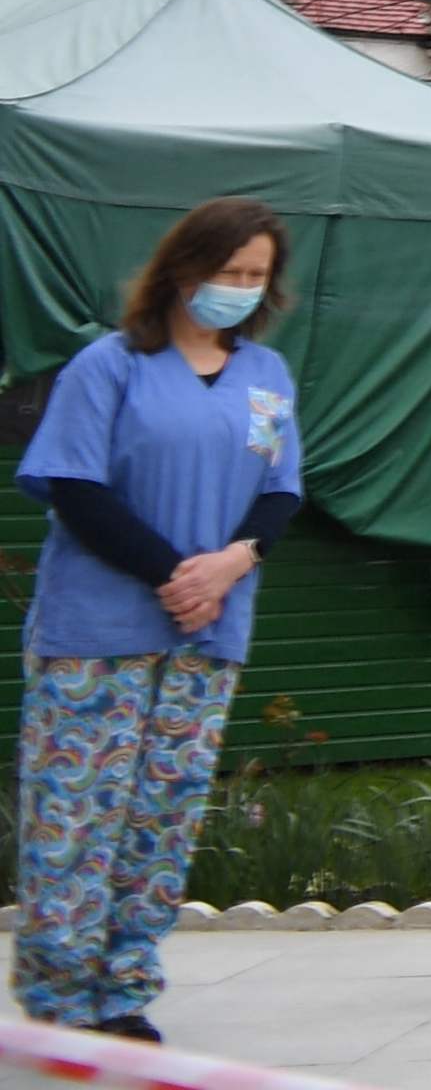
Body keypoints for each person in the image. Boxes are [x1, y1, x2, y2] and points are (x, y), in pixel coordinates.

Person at [14, 199, 297, 1043]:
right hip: (98, 631)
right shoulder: (109, 365)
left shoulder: (266, 376)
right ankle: (62, 998)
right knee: (75, 815)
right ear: (184, 269)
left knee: (161, 817)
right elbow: (75, 487)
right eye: (228, 271)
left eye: (256, 275)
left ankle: (124, 989)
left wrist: (235, 561)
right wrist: (177, 575)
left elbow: (280, 490)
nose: (241, 287)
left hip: (207, 635)